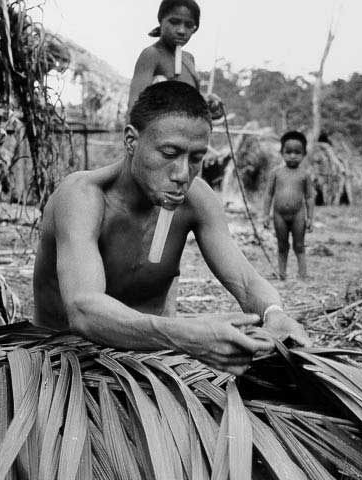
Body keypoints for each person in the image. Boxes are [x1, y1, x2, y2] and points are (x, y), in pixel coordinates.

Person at [33, 81, 310, 376]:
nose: (182, 174)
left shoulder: (196, 200)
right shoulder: (82, 197)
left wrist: (274, 312)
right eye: (169, 153)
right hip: (63, 366)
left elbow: (245, 280)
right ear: (131, 140)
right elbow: (83, 310)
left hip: (144, 366)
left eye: (196, 158)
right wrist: (183, 334)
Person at [127, 0, 222, 118]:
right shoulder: (152, 54)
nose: (181, 30)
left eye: (188, 25)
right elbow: (134, 106)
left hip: (186, 127)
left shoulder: (188, 58)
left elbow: (185, 100)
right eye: (174, 22)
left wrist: (206, 102)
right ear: (161, 20)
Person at [262, 131, 315, 280]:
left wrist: (310, 218)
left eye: (297, 152)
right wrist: (266, 215)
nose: (292, 156)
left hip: (298, 214)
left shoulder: (304, 174)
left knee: (299, 245)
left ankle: (302, 275)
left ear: (304, 154)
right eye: (289, 152)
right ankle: (282, 274)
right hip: (279, 215)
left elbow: (309, 197)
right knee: (282, 245)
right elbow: (268, 194)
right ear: (282, 152)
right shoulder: (276, 173)